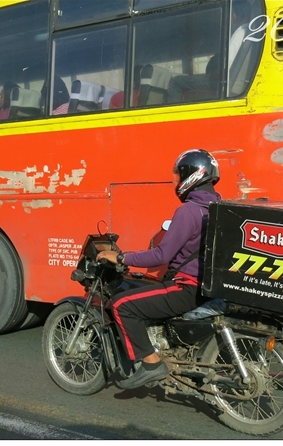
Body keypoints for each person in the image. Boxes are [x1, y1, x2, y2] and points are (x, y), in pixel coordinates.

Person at [96, 149, 222, 389]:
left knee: (122, 305)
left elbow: (161, 255)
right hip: (208, 288)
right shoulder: (217, 207)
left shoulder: (188, 211)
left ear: (192, 176)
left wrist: (121, 256)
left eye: (179, 175)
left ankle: (152, 364)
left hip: (187, 288)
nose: (176, 181)